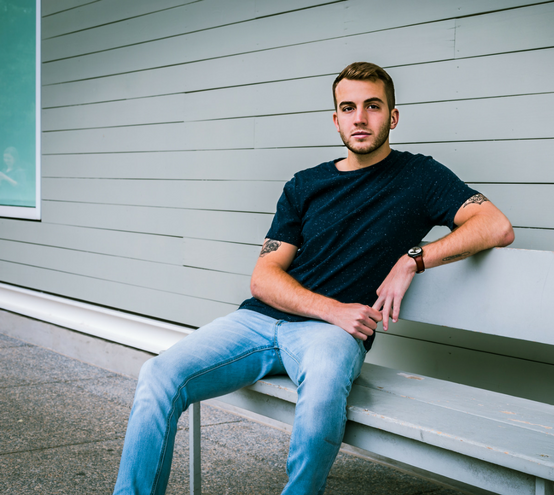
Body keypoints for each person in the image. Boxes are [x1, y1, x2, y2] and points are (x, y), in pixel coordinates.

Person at [113, 62, 514, 495]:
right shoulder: (305, 184)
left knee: (323, 395)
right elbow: (264, 278)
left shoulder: (420, 176)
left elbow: (495, 225)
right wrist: (330, 308)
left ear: (393, 117)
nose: (360, 118)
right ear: (337, 119)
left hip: (331, 336)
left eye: (373, 106)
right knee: (158, 375)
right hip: (262, 322)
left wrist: (413, 258)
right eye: (349, 108)